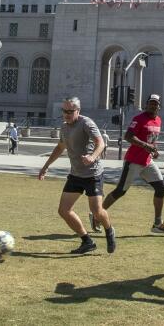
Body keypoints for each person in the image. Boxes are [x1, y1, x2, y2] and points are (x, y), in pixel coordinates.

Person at [37, 96, 116, 255]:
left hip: (93, 173)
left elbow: (101, 143)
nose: (66, 114)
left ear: (78, 111)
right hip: (76, 175)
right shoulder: (64, 127)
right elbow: (60, 147)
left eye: (70, 111)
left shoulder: (86, 123)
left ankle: (109, 230)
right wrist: (46, 166)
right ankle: (87, 241)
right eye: (64, 111)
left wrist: (92, 157)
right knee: (63, 210)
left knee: (96, 210)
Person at [101, 93, 164, 233]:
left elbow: (151, 140)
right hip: (133, 161)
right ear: (146, 104)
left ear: (159, 106)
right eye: (151, 103)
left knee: (160, 188)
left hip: (147, 161)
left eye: (156, 103)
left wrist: (154, 150)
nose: (153, 105)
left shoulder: (158, 120)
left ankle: (157, 224)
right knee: (120, 191)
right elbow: (128, 136)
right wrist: (146, 146)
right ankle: (98, 214)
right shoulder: (139, 118)